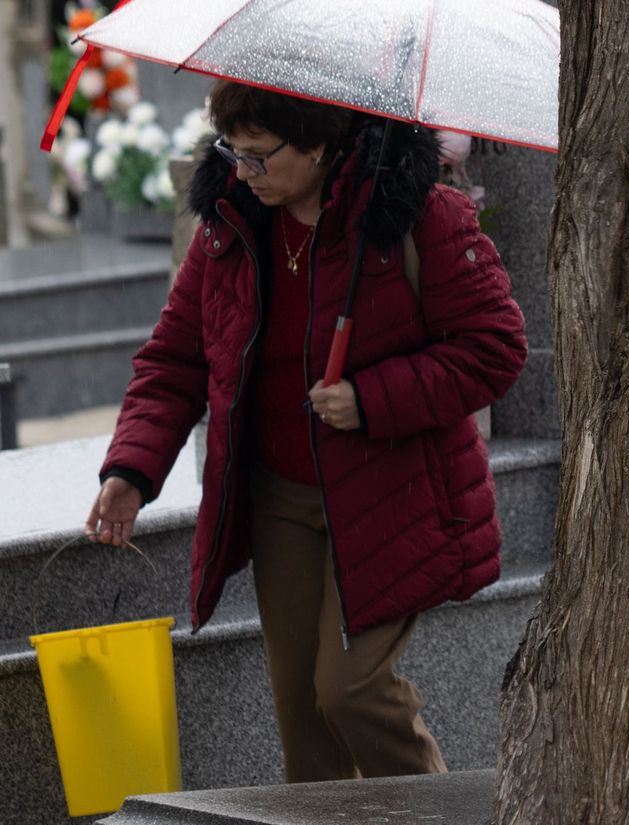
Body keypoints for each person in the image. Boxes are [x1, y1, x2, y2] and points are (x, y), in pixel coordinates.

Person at [84, 82, 528, 782]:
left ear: (319, 145)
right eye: (233, 151)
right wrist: (129, 471)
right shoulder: (230, 225)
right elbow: (175, 358)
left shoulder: (417, 217)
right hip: (279, 499)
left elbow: (495, 347)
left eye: (260, 156)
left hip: (391, 495)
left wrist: (371, 398)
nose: (242, 171)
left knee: (350, 691)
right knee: (302, 719)